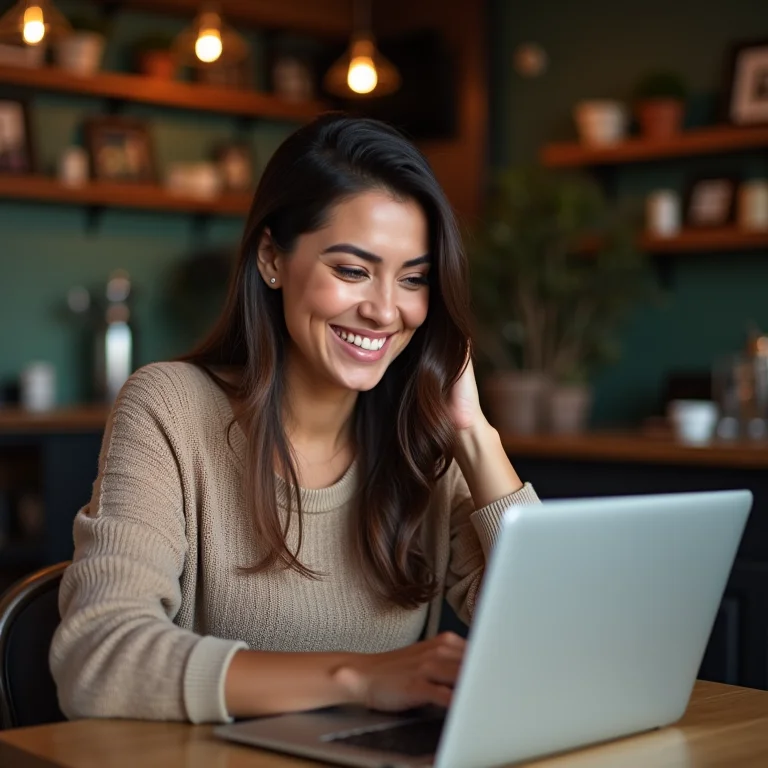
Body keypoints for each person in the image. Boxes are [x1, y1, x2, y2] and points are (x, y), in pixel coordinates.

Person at [50, 114, 539, 724]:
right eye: (352, 270)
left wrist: (473, 431)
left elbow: (560, 639)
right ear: (271, 259)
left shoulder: (424, 440)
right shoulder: (170, 409)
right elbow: (96, 659)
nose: (385, 310)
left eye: (414, 279)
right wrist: (356, 677)